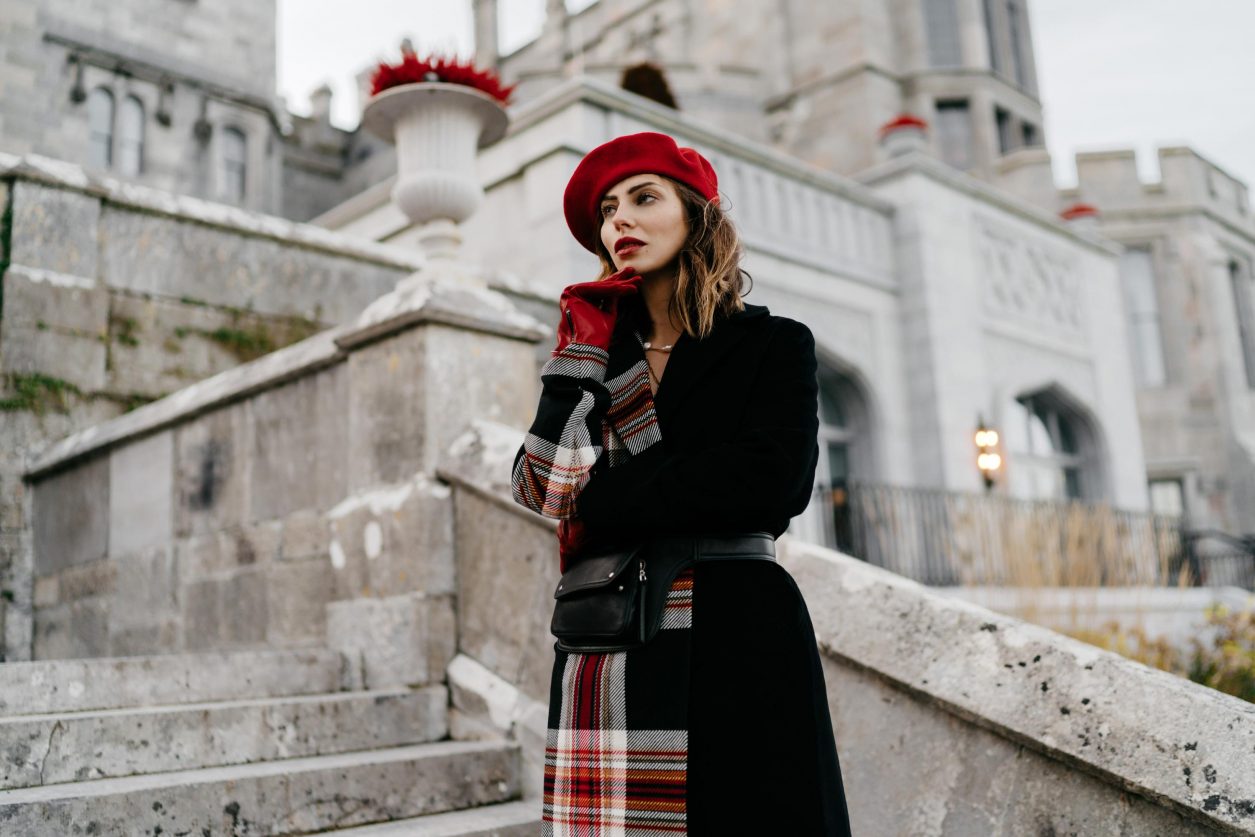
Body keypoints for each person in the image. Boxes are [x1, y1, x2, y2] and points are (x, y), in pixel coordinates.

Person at [510, 131, 852, 835]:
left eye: (644, 198)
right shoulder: (595, 357)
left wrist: (608, 497)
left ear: (697, 214)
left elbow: (775, 484)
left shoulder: (774, 343)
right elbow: (543, 487)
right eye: (608, 210)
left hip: (742, 626)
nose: (620, 221)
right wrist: (578, 354)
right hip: (615, 638)